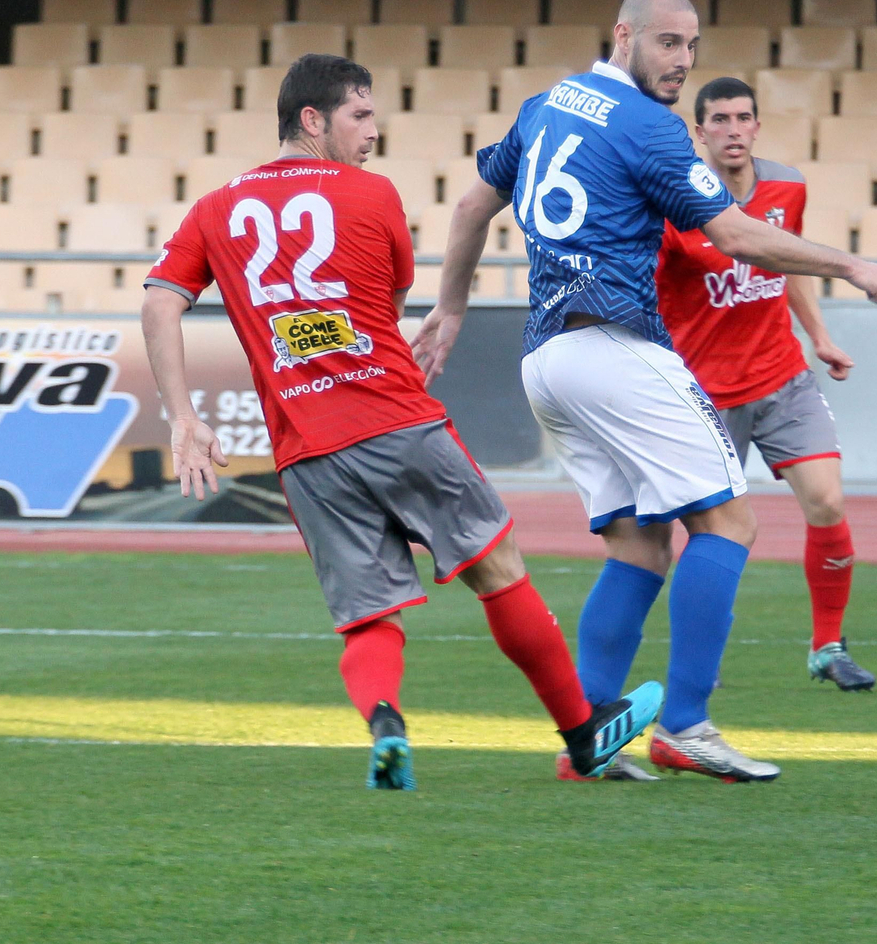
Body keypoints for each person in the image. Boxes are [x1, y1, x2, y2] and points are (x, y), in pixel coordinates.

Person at [410, 0, 877, 784]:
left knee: (640, 545)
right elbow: (734, 234)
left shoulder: (546, 104)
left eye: (691, 46)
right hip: (613, 347)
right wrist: (851, 264)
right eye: (668, 42)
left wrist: (453, 306)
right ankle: (686, 725)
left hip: (546, 360)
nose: (682, 61)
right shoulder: (647, 125)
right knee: (729, 522)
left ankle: (588, 741)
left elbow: (472, 205)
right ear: (624, 35)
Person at [141, 53, 661, 791]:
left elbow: (159, 302)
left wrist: (183, 417)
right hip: (396, 420)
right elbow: (384, 307)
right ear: (312, 119)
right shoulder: (373, 193)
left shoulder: (214, 208)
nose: (373, 132)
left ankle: (386, 724)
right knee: (498, 570)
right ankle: (583, 737)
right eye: (360, 115)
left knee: (369, 616)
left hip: (306, 450)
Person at [656, 77, 872, 692]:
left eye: (742, 118)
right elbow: (651, 291)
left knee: (827, 502)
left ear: (756, 126)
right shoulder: (674, 202)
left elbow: (789, 260)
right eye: (719, 120)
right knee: (710, 536)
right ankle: (701, 660)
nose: (733, 130)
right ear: (699, 132)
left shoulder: (787, 187)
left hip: (782, 377)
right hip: (705, 395)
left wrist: (819, 335)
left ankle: (828, 645)